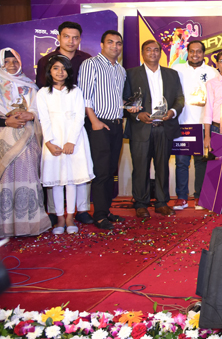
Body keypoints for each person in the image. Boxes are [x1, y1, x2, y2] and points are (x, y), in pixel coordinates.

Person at [37, 21, 93, 225]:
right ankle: (58, 217)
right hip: (53, 138)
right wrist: (49, 141)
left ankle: (76, 214)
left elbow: (79, 115)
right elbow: (43, 117)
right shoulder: (43, 90)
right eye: (67, 36)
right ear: (59, 37)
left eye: (75, 37)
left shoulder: (85, 64)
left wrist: (71, 140)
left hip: (75, 136)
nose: (60, 72)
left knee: (74, 178)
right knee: (56, 179)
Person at [124, 40, 184, 220]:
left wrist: (172, 112)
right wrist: (137, 114)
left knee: (162, 167)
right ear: (142, 53)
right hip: (141, 128)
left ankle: (161, 203)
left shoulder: (172, 74)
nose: (152, 53)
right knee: (140, 167)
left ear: (160, 53)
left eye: (156, 50)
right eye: (148, 50)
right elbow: (126, 100)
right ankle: (141, 204)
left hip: (164, 127)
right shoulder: (131, 74)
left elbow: (179, 99)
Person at [78, 30, 130, 230]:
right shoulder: (91, 64)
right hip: (99, 124)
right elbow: (84, 96)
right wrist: (94, 121)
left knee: (110, 170)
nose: (115, 46)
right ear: (101, 44)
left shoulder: (120, 70)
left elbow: (117, 99)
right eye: (110, 42)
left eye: (118, 43)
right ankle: (99, 215)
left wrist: (128, 106)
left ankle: (106, 210)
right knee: (101, 171)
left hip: (117, 124)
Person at [0, 48, 51, 237]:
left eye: (15, 61)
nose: (11, 65)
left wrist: (30, 114)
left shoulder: (30, 85)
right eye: (7, 62)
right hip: (4, 138)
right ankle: (6, 226)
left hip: (27, 138)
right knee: (5, 182)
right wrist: (6, 121)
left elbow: (40, 111)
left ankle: (28, 225)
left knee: (28, 177)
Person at [172, 40, 217, 210]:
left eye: (199, 51)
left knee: (201, 162)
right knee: (181, 163)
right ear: (187, 53)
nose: (195, 54)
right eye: (192, 51)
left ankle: (199, 197)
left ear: (203, 53)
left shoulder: (212, 72)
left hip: (202, 125)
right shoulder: (177, 70)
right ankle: (182, 197)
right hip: (182, 124)